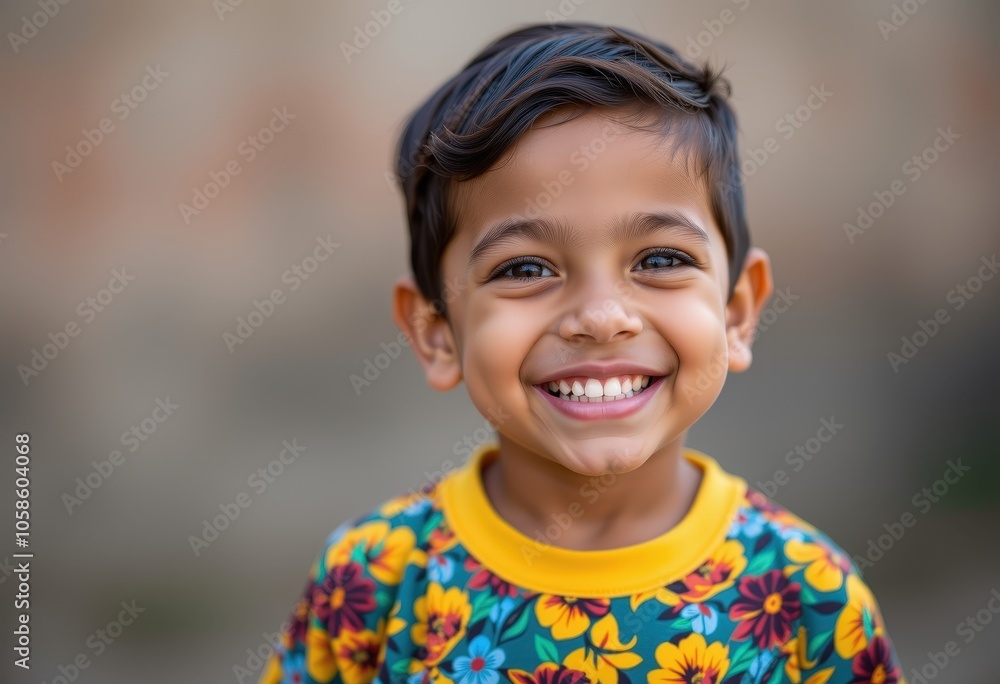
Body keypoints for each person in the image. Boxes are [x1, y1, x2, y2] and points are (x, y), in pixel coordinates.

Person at [260, 22, 905, 684]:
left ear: (737, 312)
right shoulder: (373, 583)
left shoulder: (808, 596)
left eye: (659, 259)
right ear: (437, 331)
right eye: (524, 269)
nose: (600, 318)